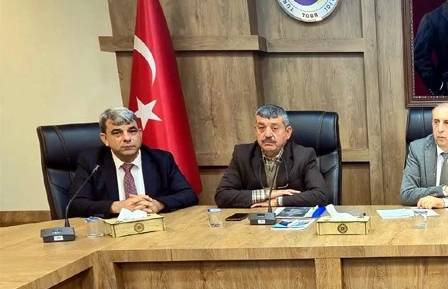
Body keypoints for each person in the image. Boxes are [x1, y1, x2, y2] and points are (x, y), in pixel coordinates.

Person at [67, 107, 198, 218]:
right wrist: (116, 206)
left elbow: (188, 195)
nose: (127, 138)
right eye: (117, 133)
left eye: (132, 131)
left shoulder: (161, 159)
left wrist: (159, 204)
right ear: (105, 139)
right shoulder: (92, 162)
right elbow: (75, 204)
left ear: (140, 134)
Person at [215, 104, 328, 208]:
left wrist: (277, 201)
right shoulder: (242, 154)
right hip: (253, 219)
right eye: (261, 128)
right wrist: (268, 194)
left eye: (275, 128)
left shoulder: (304, 156)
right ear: (255, 130)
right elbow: (222, 196)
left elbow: (320, 195)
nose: (268, 134)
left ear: (288, 132)